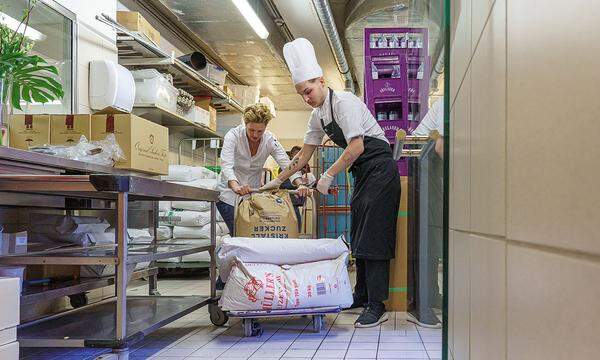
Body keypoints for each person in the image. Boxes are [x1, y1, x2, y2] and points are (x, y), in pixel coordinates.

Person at [260, 38, 401, 328]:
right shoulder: (317, 116)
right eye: (301, 94)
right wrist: (276, 181)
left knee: (374, 235)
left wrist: (327, 175)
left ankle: (378, 304)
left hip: (380, 169)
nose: (306, 98)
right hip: (362, 175)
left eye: (308, 90)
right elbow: (302, 157)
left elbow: (357, 147)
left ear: (321, 81)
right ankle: (361, 294)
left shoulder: (345, 102)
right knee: (359, 234)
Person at [216, 103, 309, 235]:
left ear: (266, 127)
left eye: (260, 131)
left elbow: (286, 163)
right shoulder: (233, 136)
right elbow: (226, 165)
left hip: (252, 196)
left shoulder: (269, 140)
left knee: (253, 235)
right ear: (245, 124)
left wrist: (300, 184)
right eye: (251, 130)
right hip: (229, 196)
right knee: (241, 235)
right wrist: (235, 186)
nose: (255, 135)